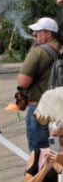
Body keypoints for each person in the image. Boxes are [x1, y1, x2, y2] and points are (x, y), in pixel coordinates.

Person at [18, 18, 61, 152]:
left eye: (37, 32)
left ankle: (41, 172)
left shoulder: (38, 52)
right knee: (56, 148)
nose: (34, 34)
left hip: (41, 108)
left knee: (39, 151)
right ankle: (56, 171)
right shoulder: (60, 47)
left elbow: (23, 81)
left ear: (48, 34)